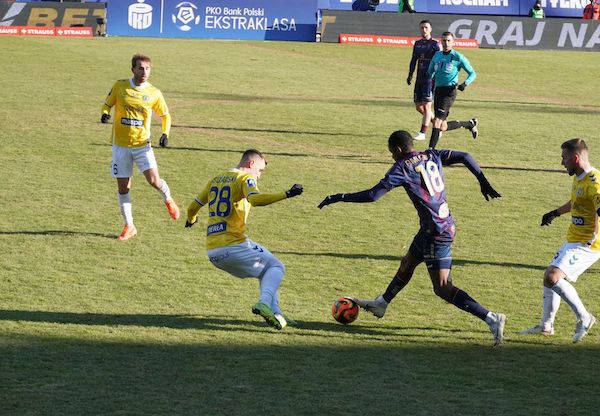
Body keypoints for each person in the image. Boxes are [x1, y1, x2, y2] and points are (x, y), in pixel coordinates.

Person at [317, 130, 506, 346]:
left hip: (436, 232)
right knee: (408, 262)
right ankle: (382, 303)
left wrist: (339, 197)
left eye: (392, 153)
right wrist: (482, 180)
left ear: (398, 149)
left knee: (443, 287)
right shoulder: (432, 154)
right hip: (437, 226)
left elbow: (372, 195)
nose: (392, 157)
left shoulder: (402, 167)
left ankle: (492, 318)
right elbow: (465, 156)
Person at [185, 149, 304, 329]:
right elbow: (255, 200)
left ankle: (277, 313)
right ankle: (263, 304)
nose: (259, 175)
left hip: (213, 251)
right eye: (260, 170)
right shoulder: (244, 179)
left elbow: (193, 207)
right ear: (250, 164)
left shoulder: (216, 179)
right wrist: (287, 193)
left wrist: (191, 220)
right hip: (233, 245)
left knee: (267, 271)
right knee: (277, 266)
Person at [520, 138, 600, 343]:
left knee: (553, 277)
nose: (561, 162)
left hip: (588, 244)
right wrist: (555, 213)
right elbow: (576, 201)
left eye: (564, 158)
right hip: (573, 239)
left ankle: (585, 318)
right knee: (548, 277)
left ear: (576, 158)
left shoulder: (595, 183)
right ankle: (546, 326)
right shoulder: (579, 177)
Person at [101, 53, 180, 241]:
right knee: (123, 187)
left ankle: (168, 199)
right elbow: (107, 104)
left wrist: (165, 134)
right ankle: (129, 226)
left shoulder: (154, 93)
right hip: (120, 146)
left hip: (142, 145)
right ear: (133, 69)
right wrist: (105, 113)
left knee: (153, 180)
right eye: (140, 68)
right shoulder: (120, 86)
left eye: (147, 68)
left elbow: (165, 115)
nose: (144, 72)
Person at [427, 31, 478, 149]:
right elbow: (430, 71)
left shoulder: (458, 57)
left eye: (448, 41)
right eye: (444, 41)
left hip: (449, 92)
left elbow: (472, 73)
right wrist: (428, 76)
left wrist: (465, 84)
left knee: (437, 121)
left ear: (453, 42)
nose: (446, 43)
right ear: (441, 42)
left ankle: (430, 150)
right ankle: (469, 124)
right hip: (438, 90)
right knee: (442, 126)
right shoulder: (437, 55)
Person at [407, 20, 441, 141]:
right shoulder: (417, 44)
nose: (424, 29)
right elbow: (413, 60)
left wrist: (436, 74)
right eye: (422, 27)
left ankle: (423, 132)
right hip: (419, 78)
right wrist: (410, 74)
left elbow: (440, 62)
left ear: (431, 29)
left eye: (426, 27)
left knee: (427, 106)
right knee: (418, 106)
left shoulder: (436, 44)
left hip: (430, 79)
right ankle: (437, 126)